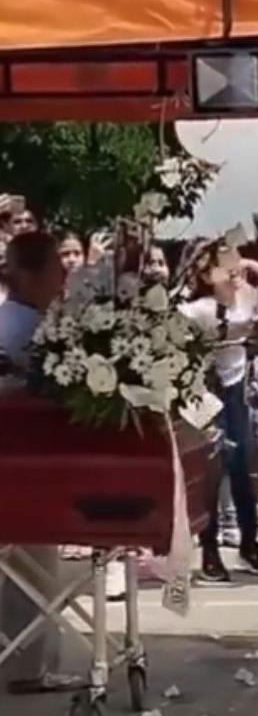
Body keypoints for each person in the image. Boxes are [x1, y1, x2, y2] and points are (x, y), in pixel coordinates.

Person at [0, 231, 83, 697]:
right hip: (24, 468)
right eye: (55, 266)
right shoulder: (27, 330)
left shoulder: (17, 320)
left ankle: (22, 662)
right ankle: (25, 668)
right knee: (30, 573)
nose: (62, 275)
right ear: (30, 275)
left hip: (20, 468)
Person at [180, 243, 258, 581]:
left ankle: (250, 542)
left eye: (236, 263)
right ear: (207, 275)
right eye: (224, 266)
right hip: (208, 394)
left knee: (243, 468)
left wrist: (257, 265)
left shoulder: (248, 297)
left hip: (236, 392)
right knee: (212, 469)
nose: (234, 270)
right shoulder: (200, 309)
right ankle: (209, 547)